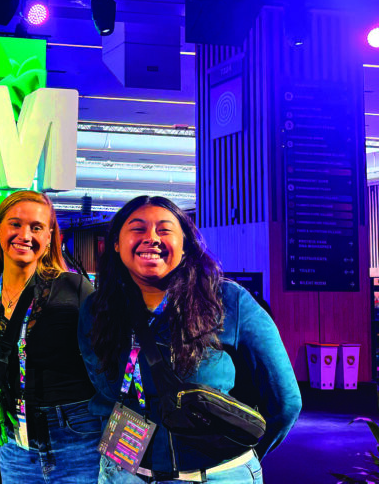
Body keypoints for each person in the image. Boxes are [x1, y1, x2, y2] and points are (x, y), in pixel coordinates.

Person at [78, 196, 301, 484]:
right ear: (117, 244)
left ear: (185, 246)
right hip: (124, 473)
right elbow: (103, 391)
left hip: (213, 476)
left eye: (164, 229)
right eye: (137, 228)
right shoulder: (98, 308)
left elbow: (286, 403)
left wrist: (239, 455)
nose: (151, 238)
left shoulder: (228, 301)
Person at [0, 190, 100, 484]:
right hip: (15, 443)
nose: (24, 234)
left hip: (76, 437)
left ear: (50, 237)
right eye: (15, 224)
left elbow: (102, 366)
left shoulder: (75, 289)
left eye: (36, 227)